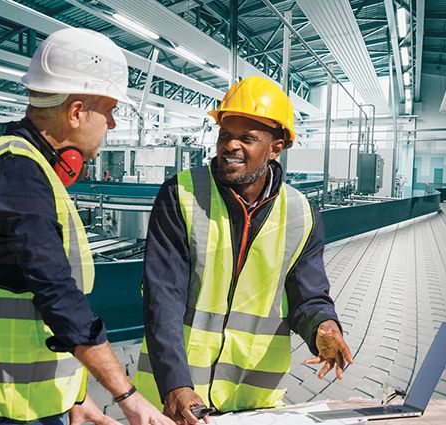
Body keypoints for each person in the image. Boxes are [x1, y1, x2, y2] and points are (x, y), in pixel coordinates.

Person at [0, 28, 174, 425]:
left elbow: (29, 303)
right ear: (77, 111)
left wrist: (74, 398)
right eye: (109, 109)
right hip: (2, 409)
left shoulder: (25, 166)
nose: (112, 123)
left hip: (27, 402)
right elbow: (57, 295)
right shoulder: (18, 173)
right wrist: (127, 395)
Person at [133, 76, 353, 424]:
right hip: (176, 400)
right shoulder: (181, 195)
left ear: (275, 147)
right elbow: (163, 297)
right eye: (224, 135)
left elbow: (307, 295)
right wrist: (174, 383)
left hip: (253, 402)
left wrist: (323, 327)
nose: (230, 146)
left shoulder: (300, 213)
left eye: (246, 138)